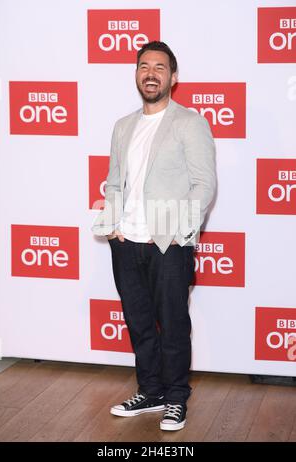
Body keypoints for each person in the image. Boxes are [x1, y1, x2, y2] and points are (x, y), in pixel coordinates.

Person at [91, 41, 217, 431]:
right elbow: (114, 183)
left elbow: (204, 184)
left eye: (160, 68)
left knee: (173, 322)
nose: (151, 74)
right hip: (126, 243)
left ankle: (176, 397)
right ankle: (150, 391)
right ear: (136, 74)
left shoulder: (189, 122)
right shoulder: (123, 126)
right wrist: (112, 227)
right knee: (139, 321)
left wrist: (181, 232)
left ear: (173, 78)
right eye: (144, 66)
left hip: (168, 242)